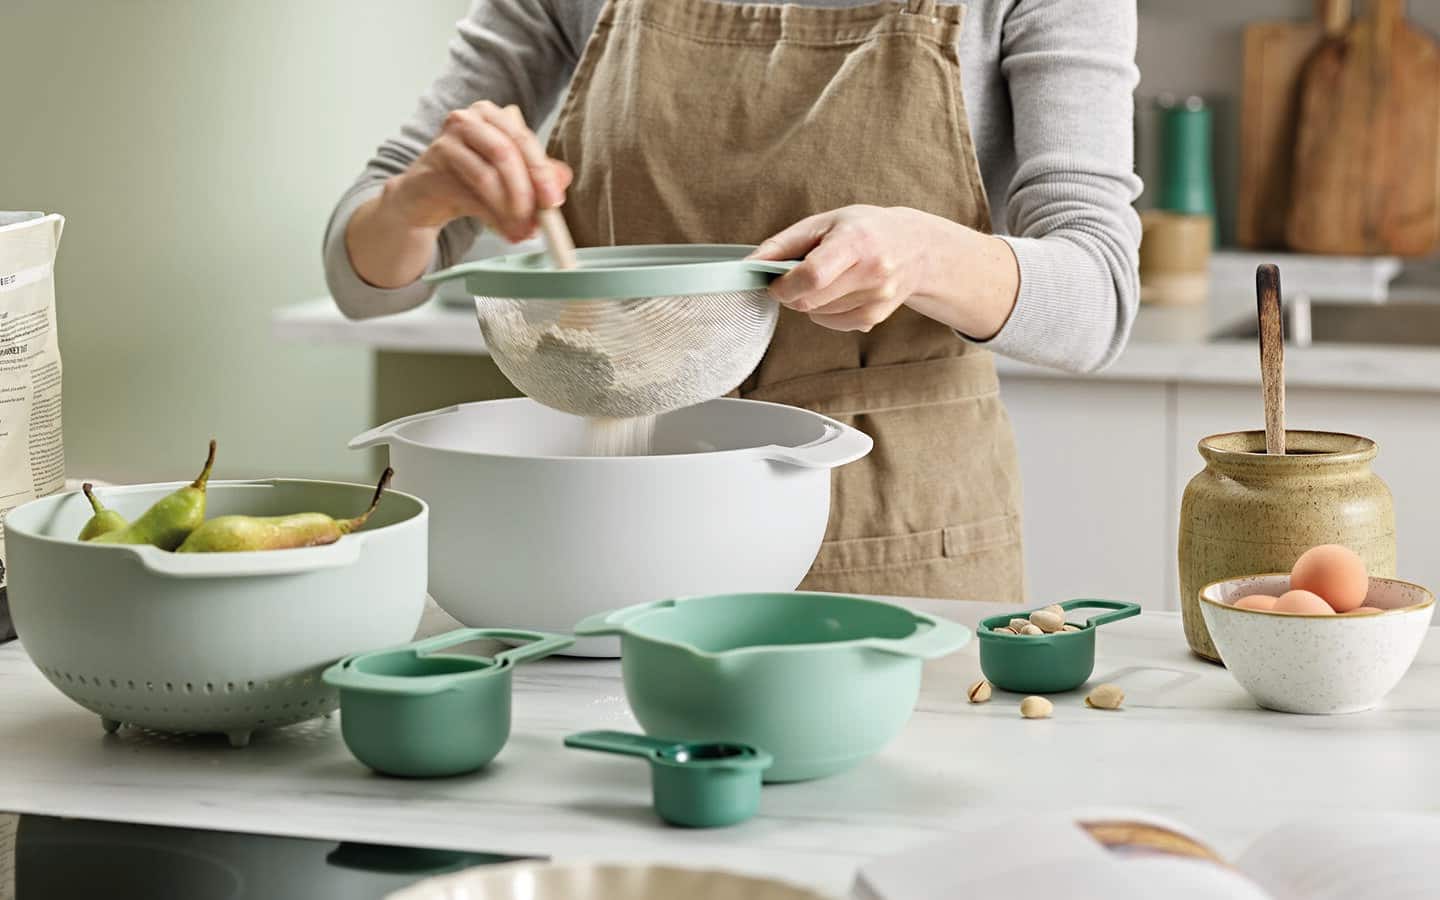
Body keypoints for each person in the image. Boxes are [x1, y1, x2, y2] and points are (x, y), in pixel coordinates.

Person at [325, 0, 1142, 603]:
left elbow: (1098, 294)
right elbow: (359, 280)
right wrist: (418, 199)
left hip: (898, 533)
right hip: (608, 530)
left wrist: (922, 254)